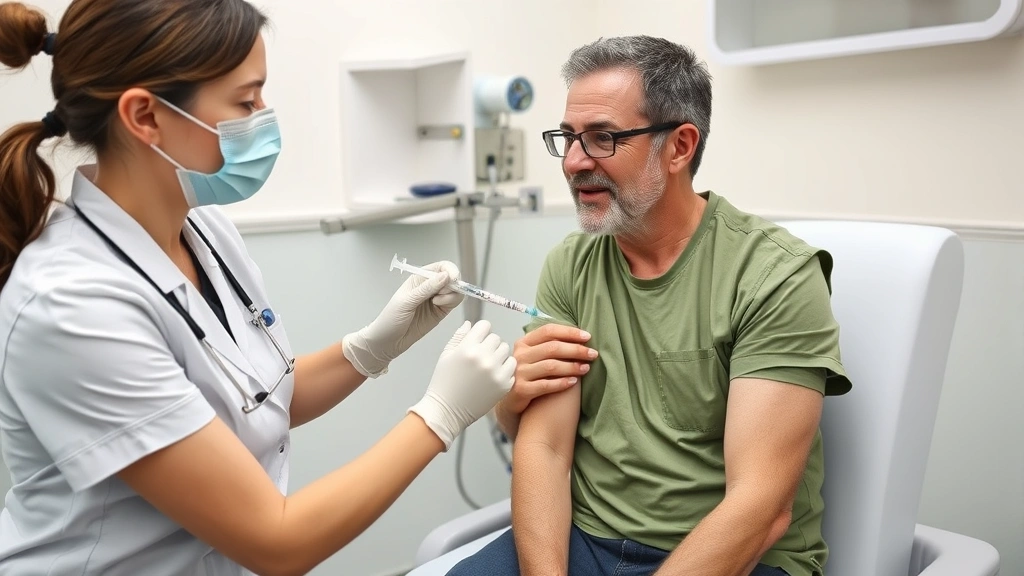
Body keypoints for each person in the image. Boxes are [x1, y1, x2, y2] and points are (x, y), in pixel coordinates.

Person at [0, 1, 517, 575]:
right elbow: (276, 541)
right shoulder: (72, 305)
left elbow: (255, 403)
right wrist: (438, 416)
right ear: (145, 116)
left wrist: (371, 348)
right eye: (246, 102)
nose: (265, 119)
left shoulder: (204, 230)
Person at [446, 36, 853, 576]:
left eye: (602, 138)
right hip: (587, 539)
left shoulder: (773, 276)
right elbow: (544, 448)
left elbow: (761, 506)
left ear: (679, 146)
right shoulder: (571, 265)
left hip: (741, 556)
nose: (573, 162)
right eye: (568, 138)